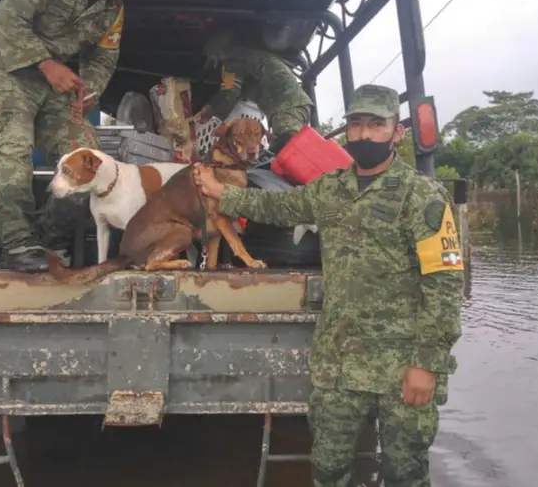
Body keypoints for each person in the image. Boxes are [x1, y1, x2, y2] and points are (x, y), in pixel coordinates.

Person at [193, 85, 464, 487]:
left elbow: (444, 286)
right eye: (357, 124)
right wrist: (222, 193)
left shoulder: (423, 196)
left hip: (402, 367)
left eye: (377, 124)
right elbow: (279, 207)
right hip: (339, 367)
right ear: (346, 131)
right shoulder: (329, 188)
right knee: (329, 470)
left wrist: (426, 364)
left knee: (404, 472)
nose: (366, 134)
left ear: (397, 132)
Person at [0, 0, 131, 272]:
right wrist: (46, 63)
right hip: (0, 66)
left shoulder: (113, 8)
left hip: (53, 82)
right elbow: (8, 20)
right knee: (12, 145)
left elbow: (103, 58)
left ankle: (49, 241)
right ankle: (17, 244)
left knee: (89, 161)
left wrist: (89, 92)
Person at [195, 28, 314, 153]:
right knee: (286, 150)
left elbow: (230, 93)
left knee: (285, 149)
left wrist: (210, 111)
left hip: (286, 107)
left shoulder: (233, 62)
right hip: (298, 105)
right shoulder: (251, 54)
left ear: (219, 52)